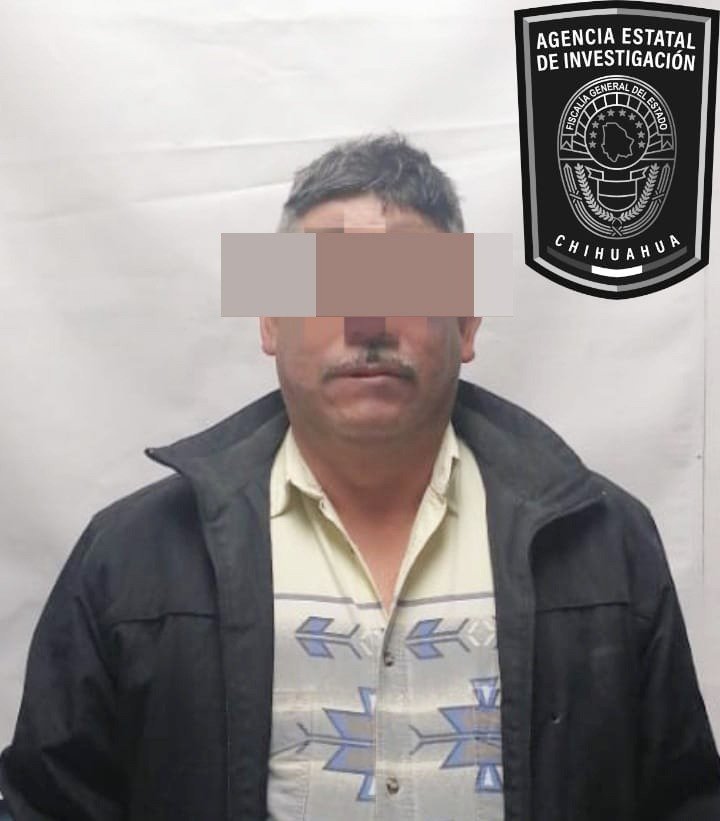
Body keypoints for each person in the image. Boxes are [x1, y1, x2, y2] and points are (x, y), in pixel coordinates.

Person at [1, 132, 719, 821]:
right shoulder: (132, 559)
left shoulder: (607, 547)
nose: (367, 322)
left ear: (467, 324)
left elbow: (684, 802)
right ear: (270, 322)